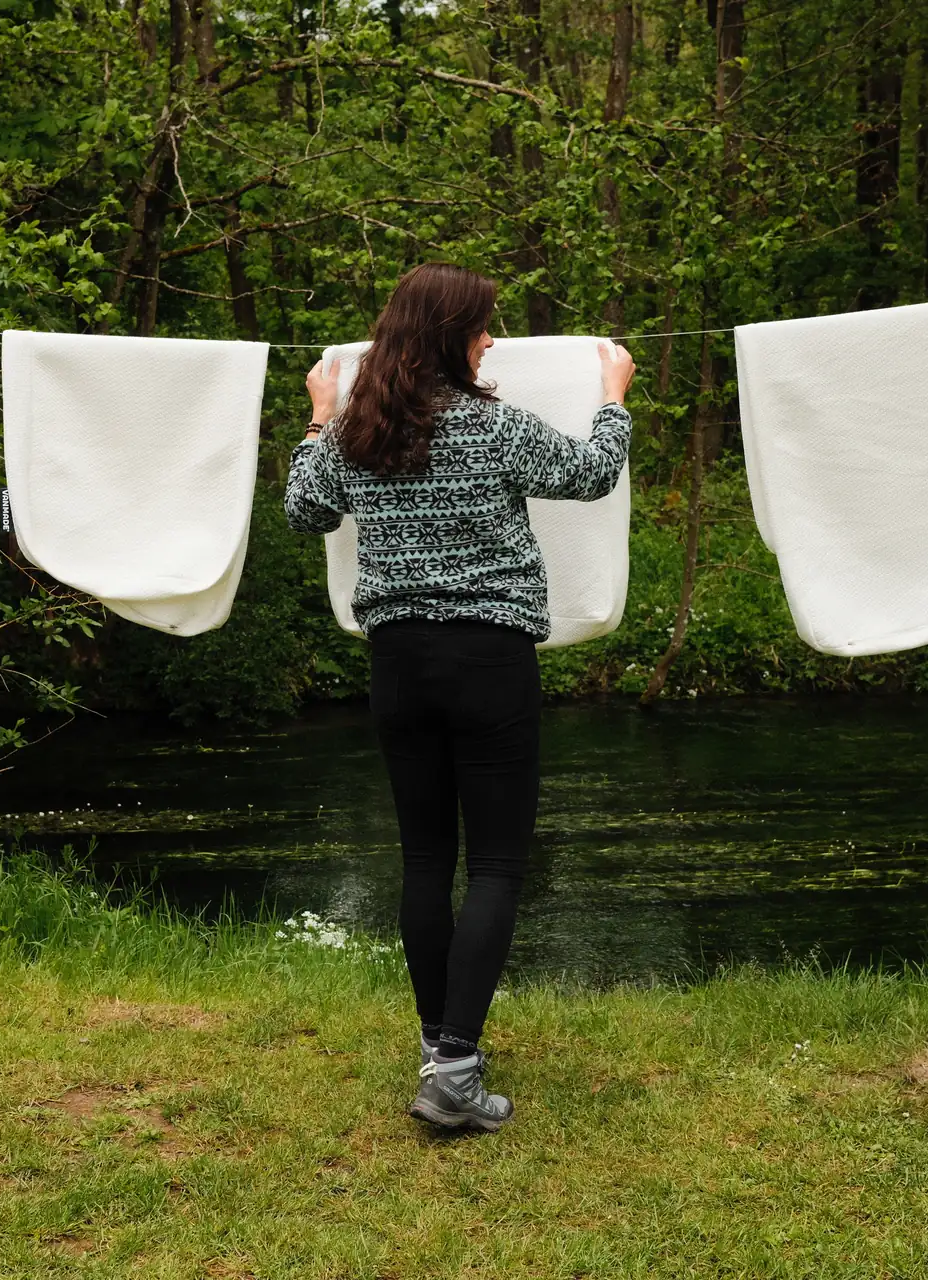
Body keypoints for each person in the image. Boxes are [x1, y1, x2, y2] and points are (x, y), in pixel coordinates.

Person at [284, 263, 635, 1131]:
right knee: (500, 865)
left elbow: (303, 512)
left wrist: (318, 419)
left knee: (426, 861)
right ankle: (455, 1070)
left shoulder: (359, 434)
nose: (489, 341)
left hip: (398, 663)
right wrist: (614, 397)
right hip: (489, 661)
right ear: (450, 336)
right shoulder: (496, 427)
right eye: (483, 328)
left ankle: (441, 1047)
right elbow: (593, 475)